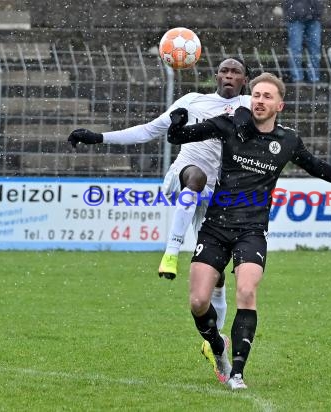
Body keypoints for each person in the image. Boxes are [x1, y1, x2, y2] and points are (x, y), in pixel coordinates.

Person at [167, 72, 331, 389]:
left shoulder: (286, 141)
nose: (260, 100)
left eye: (267, 96)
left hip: (252, 230)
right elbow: (179, 137)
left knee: (246, 291)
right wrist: (176, 122)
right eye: (256, 94)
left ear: (279, 105)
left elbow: (321, 169)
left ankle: (237, 373)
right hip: (216, 226)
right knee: (198, 302)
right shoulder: (228, 124)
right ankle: (218, 349)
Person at [67, 58, 251, 330]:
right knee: (196, 177)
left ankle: (216, 341)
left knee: (217, 274)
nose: (229, 75)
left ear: (244, 80)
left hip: (217, 193)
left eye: (235, 72)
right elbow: (148, 131)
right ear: (215, 76)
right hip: (184, 174)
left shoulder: (249, 106)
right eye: (224, 70)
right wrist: (98, 138)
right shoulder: (192, 101)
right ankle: (171, 252)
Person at [283, 0, 324, 84]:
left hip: (314, 14)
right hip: (295, 15)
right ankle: (297, 78)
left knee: (314, 48)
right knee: (296, 48)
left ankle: (314, 77)